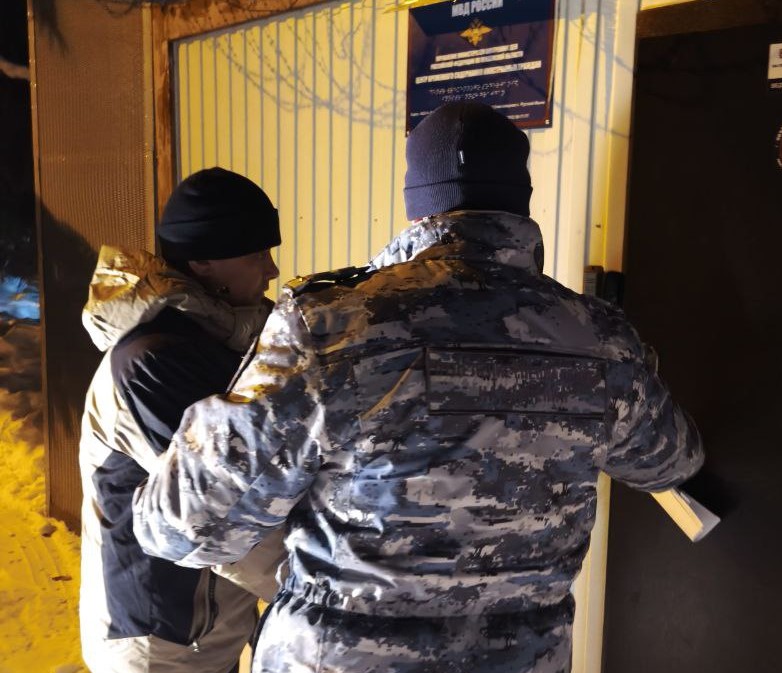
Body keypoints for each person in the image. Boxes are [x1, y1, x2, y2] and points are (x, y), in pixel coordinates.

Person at [133, 103, 704, 673]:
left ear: (417, 205)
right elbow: (672, 461)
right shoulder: (602, 339)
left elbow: (182, 527)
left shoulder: (331, 326)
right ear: (520, 201)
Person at [79, 167, 283, 673]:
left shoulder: (225, 339)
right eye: (257, 255)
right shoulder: (152, 363)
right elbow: (219, 508)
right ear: (202, 263)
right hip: (160, 642)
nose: (272, 270)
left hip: (210, 628)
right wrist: (329, 588)